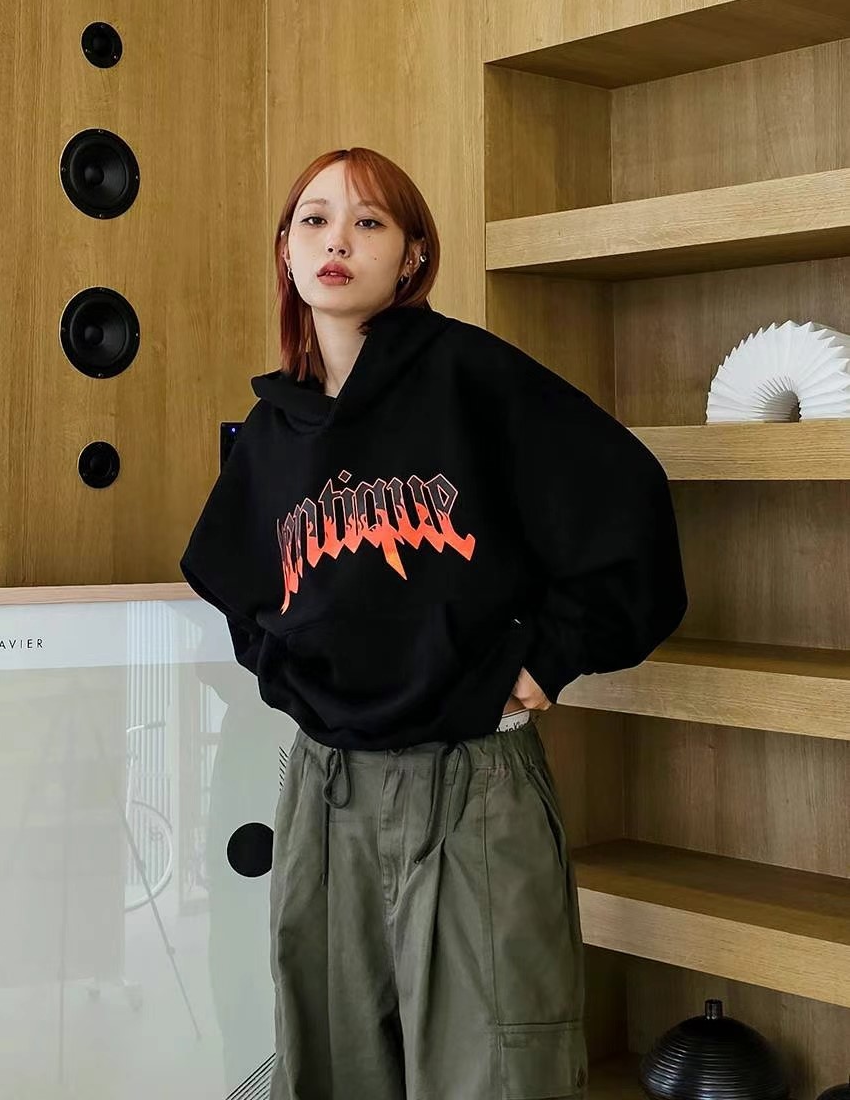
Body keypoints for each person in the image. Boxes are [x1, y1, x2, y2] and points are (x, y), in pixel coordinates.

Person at [179, 147, 689, 1099]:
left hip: (471, 783)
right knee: (332, 1069)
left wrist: (548, 659)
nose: (338, 241)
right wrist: (291, 681)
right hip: (327, 790)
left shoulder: (468, 375)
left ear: (412, 254)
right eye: (315, 220)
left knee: (491, 1072)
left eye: (369, 222)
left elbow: (625, 506)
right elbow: (237, 586)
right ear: (286, 251)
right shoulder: (278, 426)